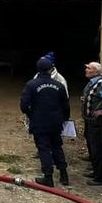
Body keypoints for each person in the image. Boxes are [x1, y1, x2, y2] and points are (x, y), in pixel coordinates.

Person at [20, 55, 70, 187]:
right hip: (56, 121)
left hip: (39, 121)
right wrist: (64, 119)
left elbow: (24, 105)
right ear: (50, 69)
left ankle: (48, 177)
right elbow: (66, 105)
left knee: (43, 148)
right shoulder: (59, 85)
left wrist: (32, 114)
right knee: (57, 146)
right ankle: (64, 175)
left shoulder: (31, 84)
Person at [82, 62, 102, 186]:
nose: (86, 69)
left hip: (96, 123)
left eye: (89, 68)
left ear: (96, 72)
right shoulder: (93, 83)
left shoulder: (101, 85)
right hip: (89, 121)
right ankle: (96, 171)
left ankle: (100, 176)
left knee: (97, 149)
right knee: (91, 145)